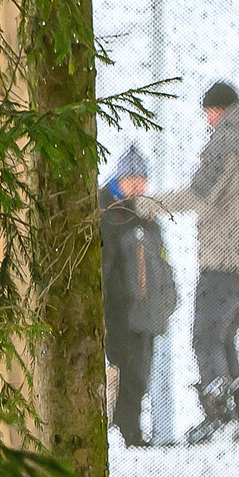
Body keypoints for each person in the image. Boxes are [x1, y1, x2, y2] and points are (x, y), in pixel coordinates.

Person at [138, 81, 239, 443]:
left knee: (204, 337)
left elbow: (198, 194)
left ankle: (219, 415)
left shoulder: (226, 140)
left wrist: (147, 204)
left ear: (219, 109)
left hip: (225, 259)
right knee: (224, 337)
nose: (207, 121)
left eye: (208, 113)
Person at [100, 145, 177, 447]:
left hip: (144, 313)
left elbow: (160, 260)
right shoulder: (106, 212)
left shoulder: (145, 213)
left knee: (139, 376)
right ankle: (125, 434)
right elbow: (105, 265)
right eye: (134, 178)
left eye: (143, 179)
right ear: (122, 176)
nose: (140, 185)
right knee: (122, 374)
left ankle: (131, 433)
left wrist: (168, 297)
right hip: (119, 311)